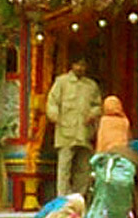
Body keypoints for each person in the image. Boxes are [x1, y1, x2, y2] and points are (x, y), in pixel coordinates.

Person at [47, 58, 102, 196]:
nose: (80, 68)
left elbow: (98, 105)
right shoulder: (62, 82)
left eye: (83, 65)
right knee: (64, 167)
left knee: (83, 168)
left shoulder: (91, 85)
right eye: (78, 64)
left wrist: (93, 114)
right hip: (66, 131)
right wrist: (55, 116)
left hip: (84, 133)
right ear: (72, 65)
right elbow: (52, 101)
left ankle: (79, 197)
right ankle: (62, 198)